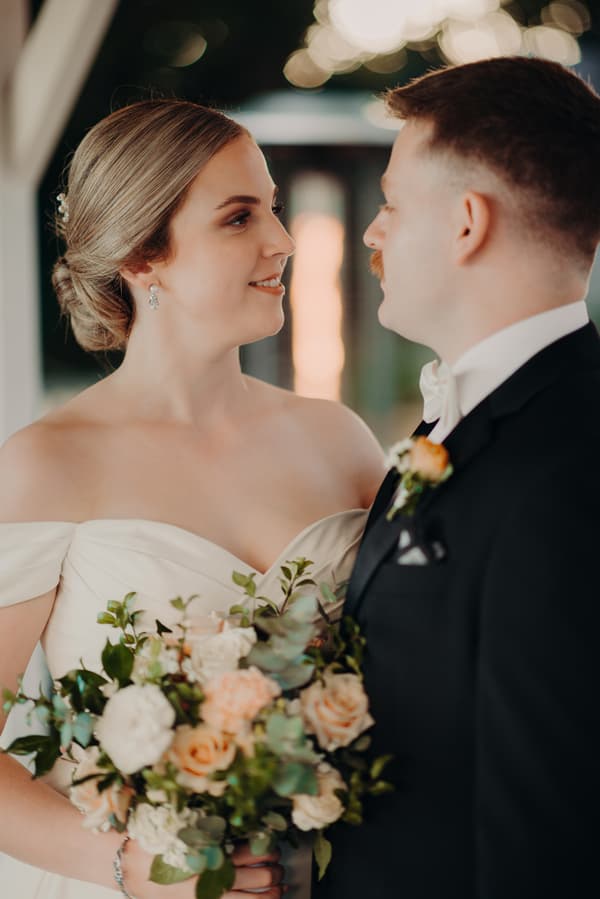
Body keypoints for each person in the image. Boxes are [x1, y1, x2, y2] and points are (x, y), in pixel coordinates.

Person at [0, 99, 385, 899]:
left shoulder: (341, 441)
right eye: (239, 217)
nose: (281, 240)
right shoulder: (47, 464)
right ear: (142, 254)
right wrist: (129, 864)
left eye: (273, 208)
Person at [314, 56, 600, 899]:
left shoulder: (569, 463)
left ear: (468, 222)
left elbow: (552, 821)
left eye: (394, 204)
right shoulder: (464, 420)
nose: (373, 231)